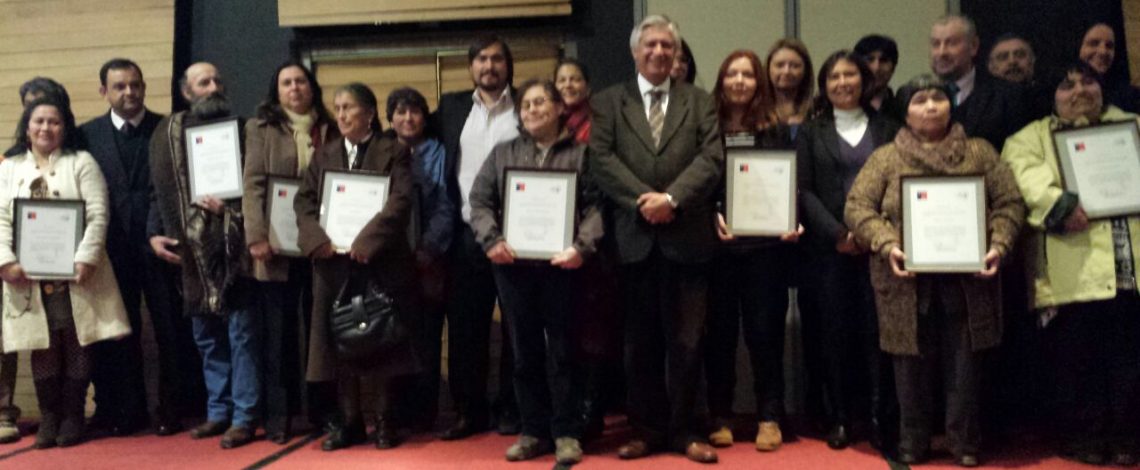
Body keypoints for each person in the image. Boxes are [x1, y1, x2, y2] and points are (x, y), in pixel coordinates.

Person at [844, 74, 1024, 467]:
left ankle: (964, 441)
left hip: (968, 281)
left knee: (966, 365)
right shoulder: (887, 157)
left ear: (950, 105)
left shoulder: (979, 152)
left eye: (937, 99)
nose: (930, 107)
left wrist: (999, 245)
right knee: (909, 369)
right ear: (905, 112)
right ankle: (913, 441)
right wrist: (887, 243)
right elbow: (857, 207)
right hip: (905, 280)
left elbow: (1010, 202)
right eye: (919, 100)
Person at [588, 14, 722, 464]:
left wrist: (672, 198)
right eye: (651, 46)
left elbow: (711, 158)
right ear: (635, 51)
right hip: (633, 240)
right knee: (638, 344)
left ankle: (684, 430)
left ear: (677, 53)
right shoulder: (609, 102)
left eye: (668, 46)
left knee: (687, 343)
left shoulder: (699, 101)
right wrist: (643, 201)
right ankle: (644, 430)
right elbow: (601, 159)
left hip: (687, 239)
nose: (660, 52)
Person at [1001, 61, 1140, 467]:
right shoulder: (1029, 138)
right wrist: (1059, 204)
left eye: (1088, 82)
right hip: (1071, 270)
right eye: (1067, 85)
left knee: (1129, 357)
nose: (1079, 90)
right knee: (1075, 358)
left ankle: (1128, 435)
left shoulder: (1131, 126)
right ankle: (1084, 435)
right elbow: (1025, 179)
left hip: (1129, 266)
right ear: (1052, 96)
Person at [469, 78, 603, 465]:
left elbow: (597, 208)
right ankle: (532, 430)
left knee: (563, 351)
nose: (532, 110)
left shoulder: (582, 155)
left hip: (564, 267)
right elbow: (479, 202)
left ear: (560, 108)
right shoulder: (502, 153)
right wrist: (491, 240)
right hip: (513, 267)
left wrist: (582, 247)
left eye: (540, 102)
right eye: (525, 105)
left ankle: (565, 433)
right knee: (523, 352)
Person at [293, 83, 420, 451]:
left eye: (349, 107)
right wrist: (317, 241)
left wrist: (367, 242)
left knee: (380, 342)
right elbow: (304, 204)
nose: (342, 114)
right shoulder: (324, 154)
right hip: (333, 265)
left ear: (369, 112)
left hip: (380, 262)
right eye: (337, 108)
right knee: (337, 347)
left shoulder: (393, 150)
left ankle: (384, 422)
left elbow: (399, 201)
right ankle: (350, 422)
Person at [0, 96, 131, 448]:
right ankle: (49, 417)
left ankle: (73, 415)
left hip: (78, 275)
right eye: (39, 121)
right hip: (27, 277)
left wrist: (86, 257)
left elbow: (98, 214)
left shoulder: (82, 162)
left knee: (76, 341)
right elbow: (0, 219)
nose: (46, 128)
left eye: (54, 122)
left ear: (65, 127)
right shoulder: (9, 168)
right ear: (27, 127)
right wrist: (6, 261)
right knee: (42, 344)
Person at [149, 62, 261, 449]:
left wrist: (228, 213)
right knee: (208, 339)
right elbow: (155, 191)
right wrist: (154, 234)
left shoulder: (243, 130)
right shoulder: (166, 135)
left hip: (234, 252)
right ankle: (218, 412)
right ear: (187, 91)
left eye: (217, 80)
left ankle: (244, 417)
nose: (213, 87)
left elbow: (257, 187)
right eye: (203, 82)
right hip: (191, 257)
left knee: (241, 336)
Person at [797, 50, 901, 451]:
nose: (843, 82)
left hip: (881, 248)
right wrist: (839, 234)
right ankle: (840, 417)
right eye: (834, 76)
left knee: (879, 334)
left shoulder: (888, 128)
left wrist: (875, 234)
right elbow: (804, 191)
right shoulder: (812, 131)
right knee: (835, 335)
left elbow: (898, 186)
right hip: (830, 251)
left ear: (864, 80)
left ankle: (878, 416)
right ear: (824, 85)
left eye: (850, 74)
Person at [79, 58, 186, 438]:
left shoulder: (168, 128)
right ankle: (126, 409)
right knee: (117, 334)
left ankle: (174, 409)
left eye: (136, 85)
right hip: (111, 251)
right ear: (103, 91)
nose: (130, 93)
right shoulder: (86, 135)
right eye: (121, 86)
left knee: (170, 330)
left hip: (163, 247)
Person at [703, 49, 801, 453]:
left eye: (747, 74)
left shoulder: (775, 127)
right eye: (732, 74)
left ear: (758, 81)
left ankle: (769, 415)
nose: (739, 81)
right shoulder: (705, 125)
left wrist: (791, 216)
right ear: (722, 80)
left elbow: (793, 180)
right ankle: (720, 414)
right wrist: (711, 215)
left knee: (766, 334)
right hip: (719, 247)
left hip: (766, 249)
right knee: (720, 335)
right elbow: (699, 180)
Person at [242, 60, 339, 443]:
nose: (294, 88)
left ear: (311, 87)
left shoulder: (330, 129)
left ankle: (323, 413)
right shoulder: (260, 128)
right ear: (276, 91)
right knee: (278, 335)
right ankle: (280, 416)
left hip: (320, 246)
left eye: (300, 81)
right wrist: (256, 237)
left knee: (321, 334)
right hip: (275, 247)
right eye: (286, 83)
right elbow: (252, 185)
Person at [431, 34, 520, 440]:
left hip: (518, 233)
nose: (489, 66)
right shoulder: (450, 108)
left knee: (519, 327)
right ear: (471, 67)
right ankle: (470, 411)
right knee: (467, 329)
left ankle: (511, 409)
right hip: (466, 235)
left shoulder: (527, 104)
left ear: (508, 66)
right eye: (481, 59)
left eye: (497, 59)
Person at [384, 86, 454, 432]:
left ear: (425, 118)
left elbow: (446, 204)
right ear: (390, 118)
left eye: (414, 112)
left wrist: (427, 248)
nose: (408, 118)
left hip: (428, 260)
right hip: (388, 262)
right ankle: (394, 414)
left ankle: (425, 414)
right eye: (400, 112)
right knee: (394, 337)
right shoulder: (380, 151)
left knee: (426, 338)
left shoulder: (438, 153)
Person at [929, 15, 1028, 150]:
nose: (941, 52)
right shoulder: (917, 99)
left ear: (974, 46)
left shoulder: (1008, 96)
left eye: (951, 43)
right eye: (936, 44)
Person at [1078, 22, 1140, 114]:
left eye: (1109, 46)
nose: (1103, 52)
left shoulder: (1132, 97)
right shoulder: (1056, 94)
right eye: (1094, 43)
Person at [987, 34, 1052, 119]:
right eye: (1003, 57)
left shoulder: (1051, 98)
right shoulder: (981, 106)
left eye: (1020, 55)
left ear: (1032, 61)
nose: (1012, 61)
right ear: (991, 67)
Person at [4, 78, 73, 158]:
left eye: (40, 103)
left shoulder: (81, 157)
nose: (33, 110)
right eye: (29, 105)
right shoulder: (9, 159)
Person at [767, 38, 814, 131]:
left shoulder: (817, 112)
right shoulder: (756, 113)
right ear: (768, 68)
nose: (786, 71)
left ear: (806, 70)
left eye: (795, 66)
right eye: (779, 65)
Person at [853, 34, 902, 118]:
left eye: (884, 60)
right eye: (869, 59)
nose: (876, 68)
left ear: (893, 67)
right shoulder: (842, 106)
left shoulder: (902, 109)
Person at [555, 59, 592, 144]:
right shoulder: (548, 120)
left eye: (575, 79)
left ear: (588, 87)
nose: (568, 85)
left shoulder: (598, 121)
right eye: (562, 80)